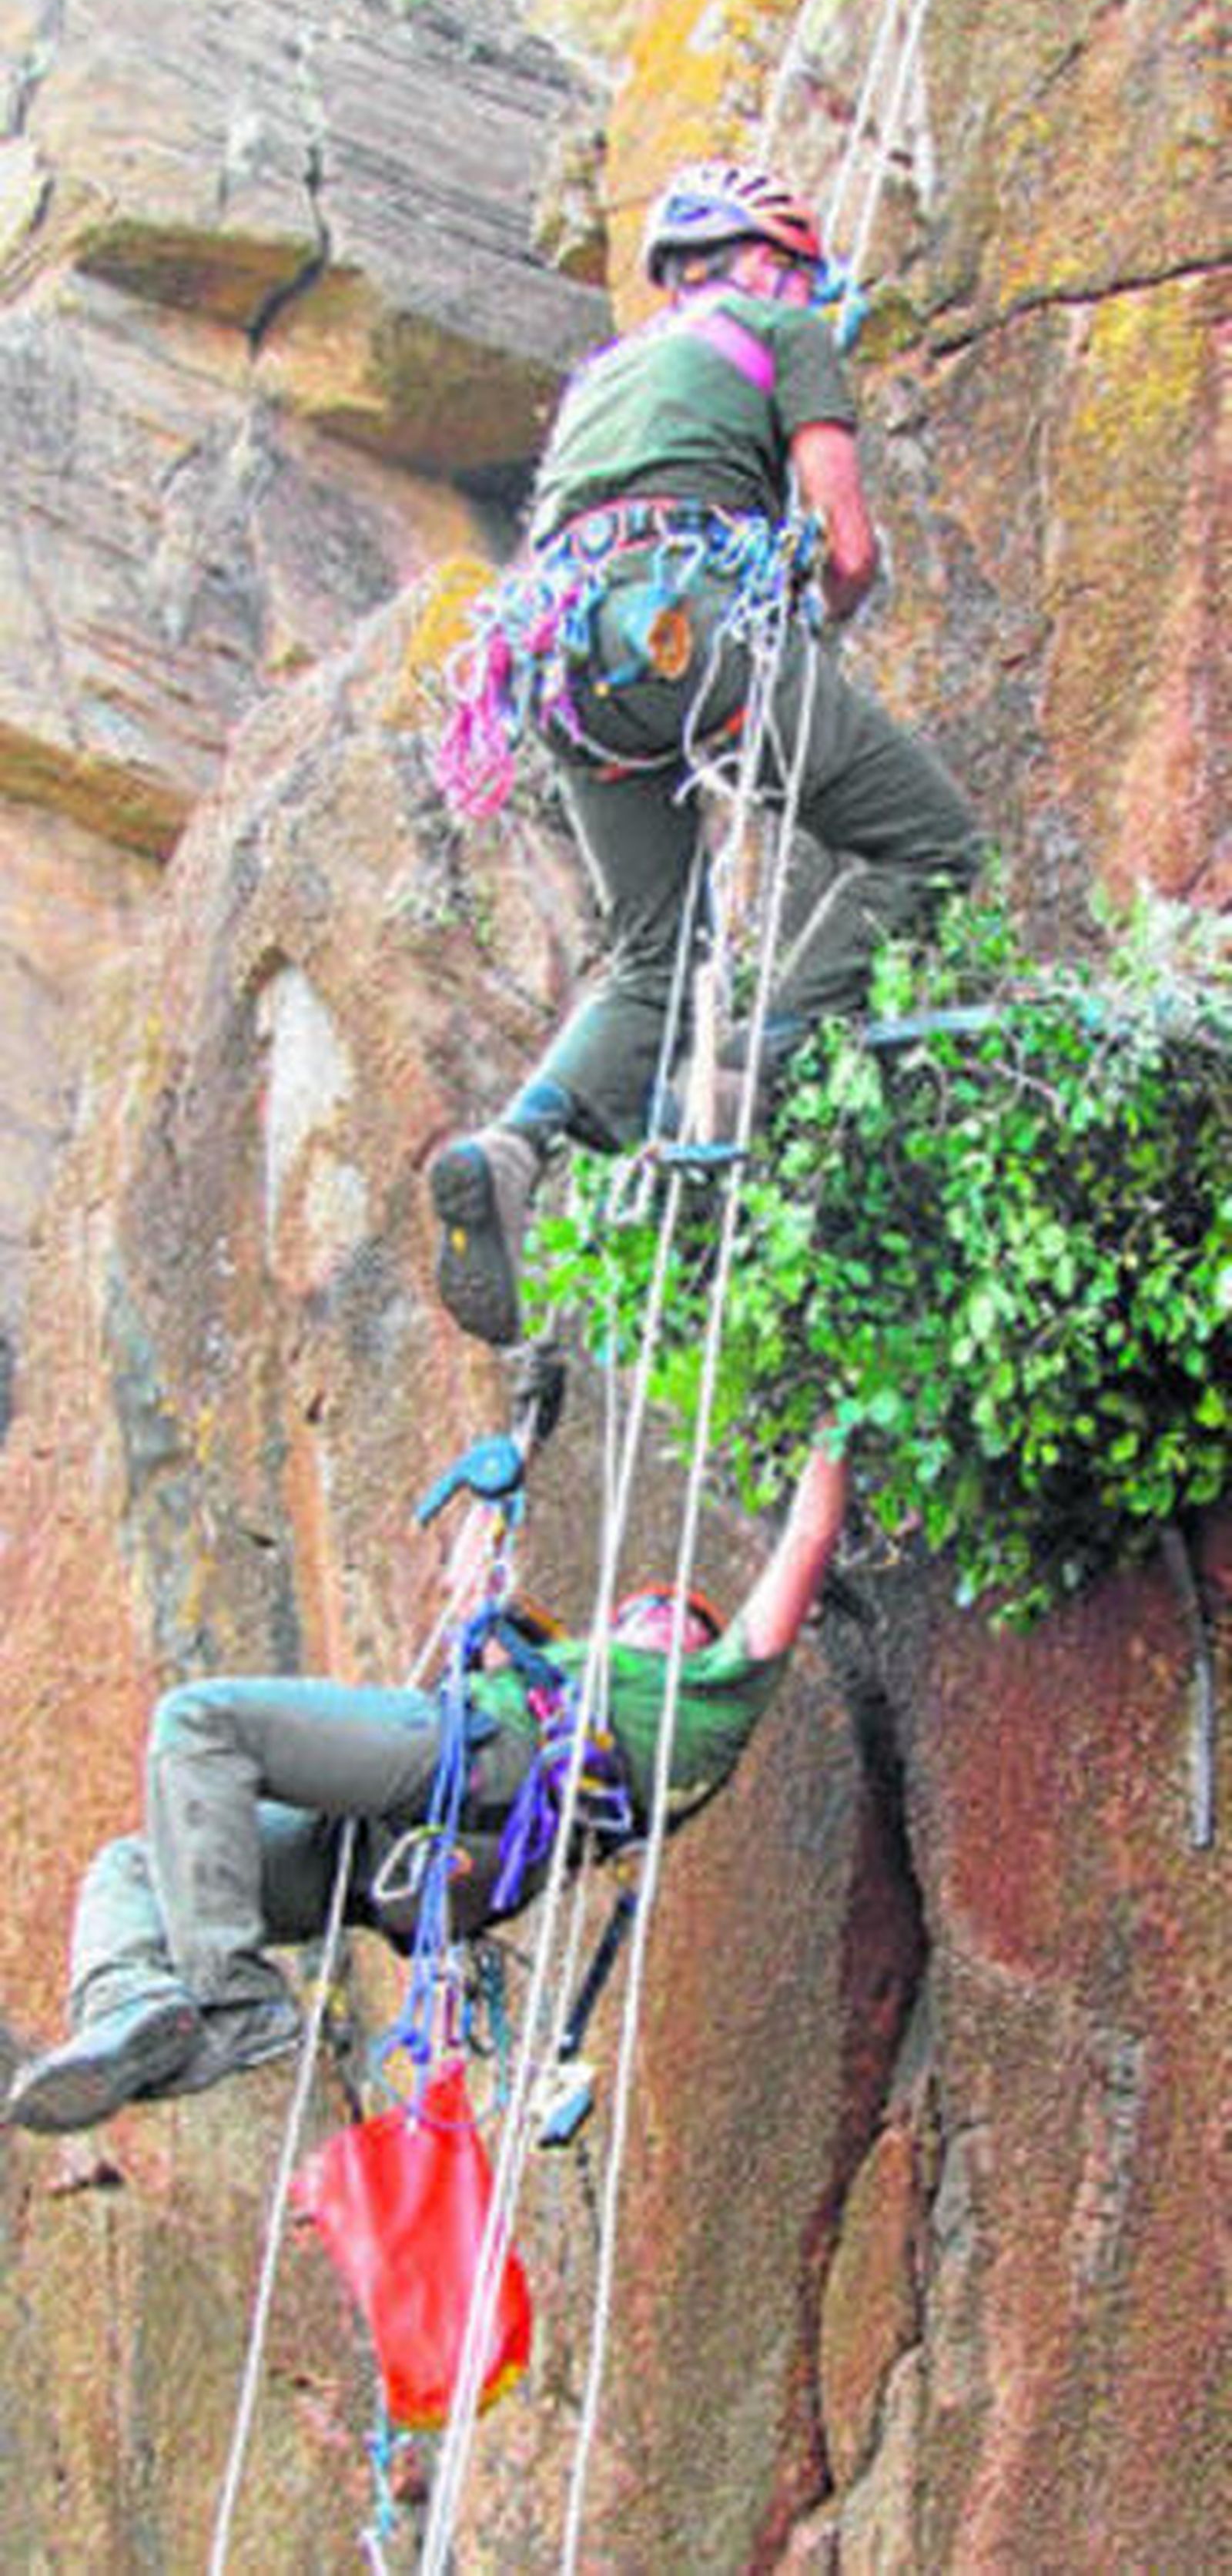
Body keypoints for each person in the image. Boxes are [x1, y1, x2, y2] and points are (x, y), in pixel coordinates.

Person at [430, 157, 982, 1349]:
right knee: (928, 843)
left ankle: (512, 1145)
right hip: (687, 633)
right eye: (798, 267)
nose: (807, 287)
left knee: (652, 955)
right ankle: (759, 1062)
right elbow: (850, 547)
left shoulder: (602, 376)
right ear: (766, 265)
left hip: (561, 665)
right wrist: (810, 640)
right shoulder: (784, 328)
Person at [5, 1438, 848, 2136]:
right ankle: (132, 2009)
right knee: (132, 1866)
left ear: (702, 1646)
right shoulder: (550, 1667)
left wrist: (837, 1415)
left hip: (472, 1774)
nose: (651, 1618)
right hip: (389, 1857)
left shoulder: (712, 1698)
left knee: (201, 1724)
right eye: (634, 1613)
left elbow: (806, 1540)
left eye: (677, 1620)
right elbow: (472, 1607)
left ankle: (233, 1996)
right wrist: (496, 1505)